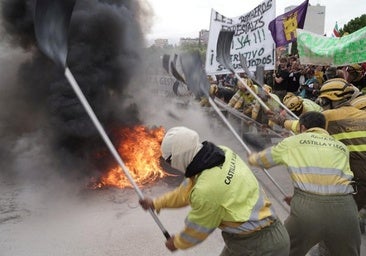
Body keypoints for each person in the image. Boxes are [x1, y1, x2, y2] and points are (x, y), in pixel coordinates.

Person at [139, 126, 290, 255]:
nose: (170, 165)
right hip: (254, 236)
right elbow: (184, 192)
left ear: (179, 155)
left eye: (169, 161)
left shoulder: (206, 190)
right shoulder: (221, 153)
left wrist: (177, 243)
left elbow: (198, 229)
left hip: (261, 247)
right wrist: (156, 203)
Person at [248, 111, 361, 256]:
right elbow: (326, 180)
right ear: (324, 127)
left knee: (282, 250)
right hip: (346, 210)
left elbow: (262, 160)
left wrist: (251, 158)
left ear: (302, 127)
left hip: (307, 211)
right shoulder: (341, 147)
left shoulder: (292, 142)